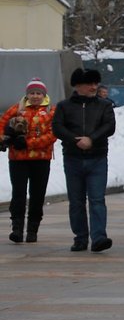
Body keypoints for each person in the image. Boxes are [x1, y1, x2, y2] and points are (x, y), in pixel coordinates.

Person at [52, 68, 116, 253]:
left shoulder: (104, 105)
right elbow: (57, 127)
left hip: (97, 158)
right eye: (90, 83)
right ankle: (80, 237)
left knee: (97, 199)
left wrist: (92, 139)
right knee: (76, 201)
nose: (94, 87)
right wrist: (75, 140)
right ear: (78, 85)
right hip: (73, 158)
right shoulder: (64, 106)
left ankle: (99, 237)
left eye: (96, 83)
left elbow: (109, 126)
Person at [5, 79, 57, 243]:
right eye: (32, 93)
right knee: (18, 194)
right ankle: (17, 228)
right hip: (18, 160)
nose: (35, 96)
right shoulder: (17, 109)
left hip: (41, 160)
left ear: (44, 95)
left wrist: (28, 143)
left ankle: (33, 229)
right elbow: (2, 124)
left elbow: (52, 135)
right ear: (27, 94)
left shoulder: (51, 111)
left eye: (38, 93)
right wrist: (5, 138)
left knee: (37, 195)